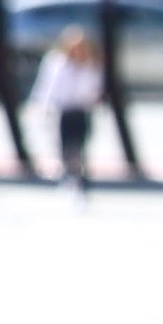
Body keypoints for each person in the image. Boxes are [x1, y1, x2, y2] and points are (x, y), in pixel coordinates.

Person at [37, 20, 114, 194]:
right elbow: (47, 86)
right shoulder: (58, 63)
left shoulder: (91, 65)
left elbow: (96, 88)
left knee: (81, 143)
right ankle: (67, 175)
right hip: (65, 109)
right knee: (65, 143)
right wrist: (43, 106)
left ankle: (80, 177)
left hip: (82, 109)